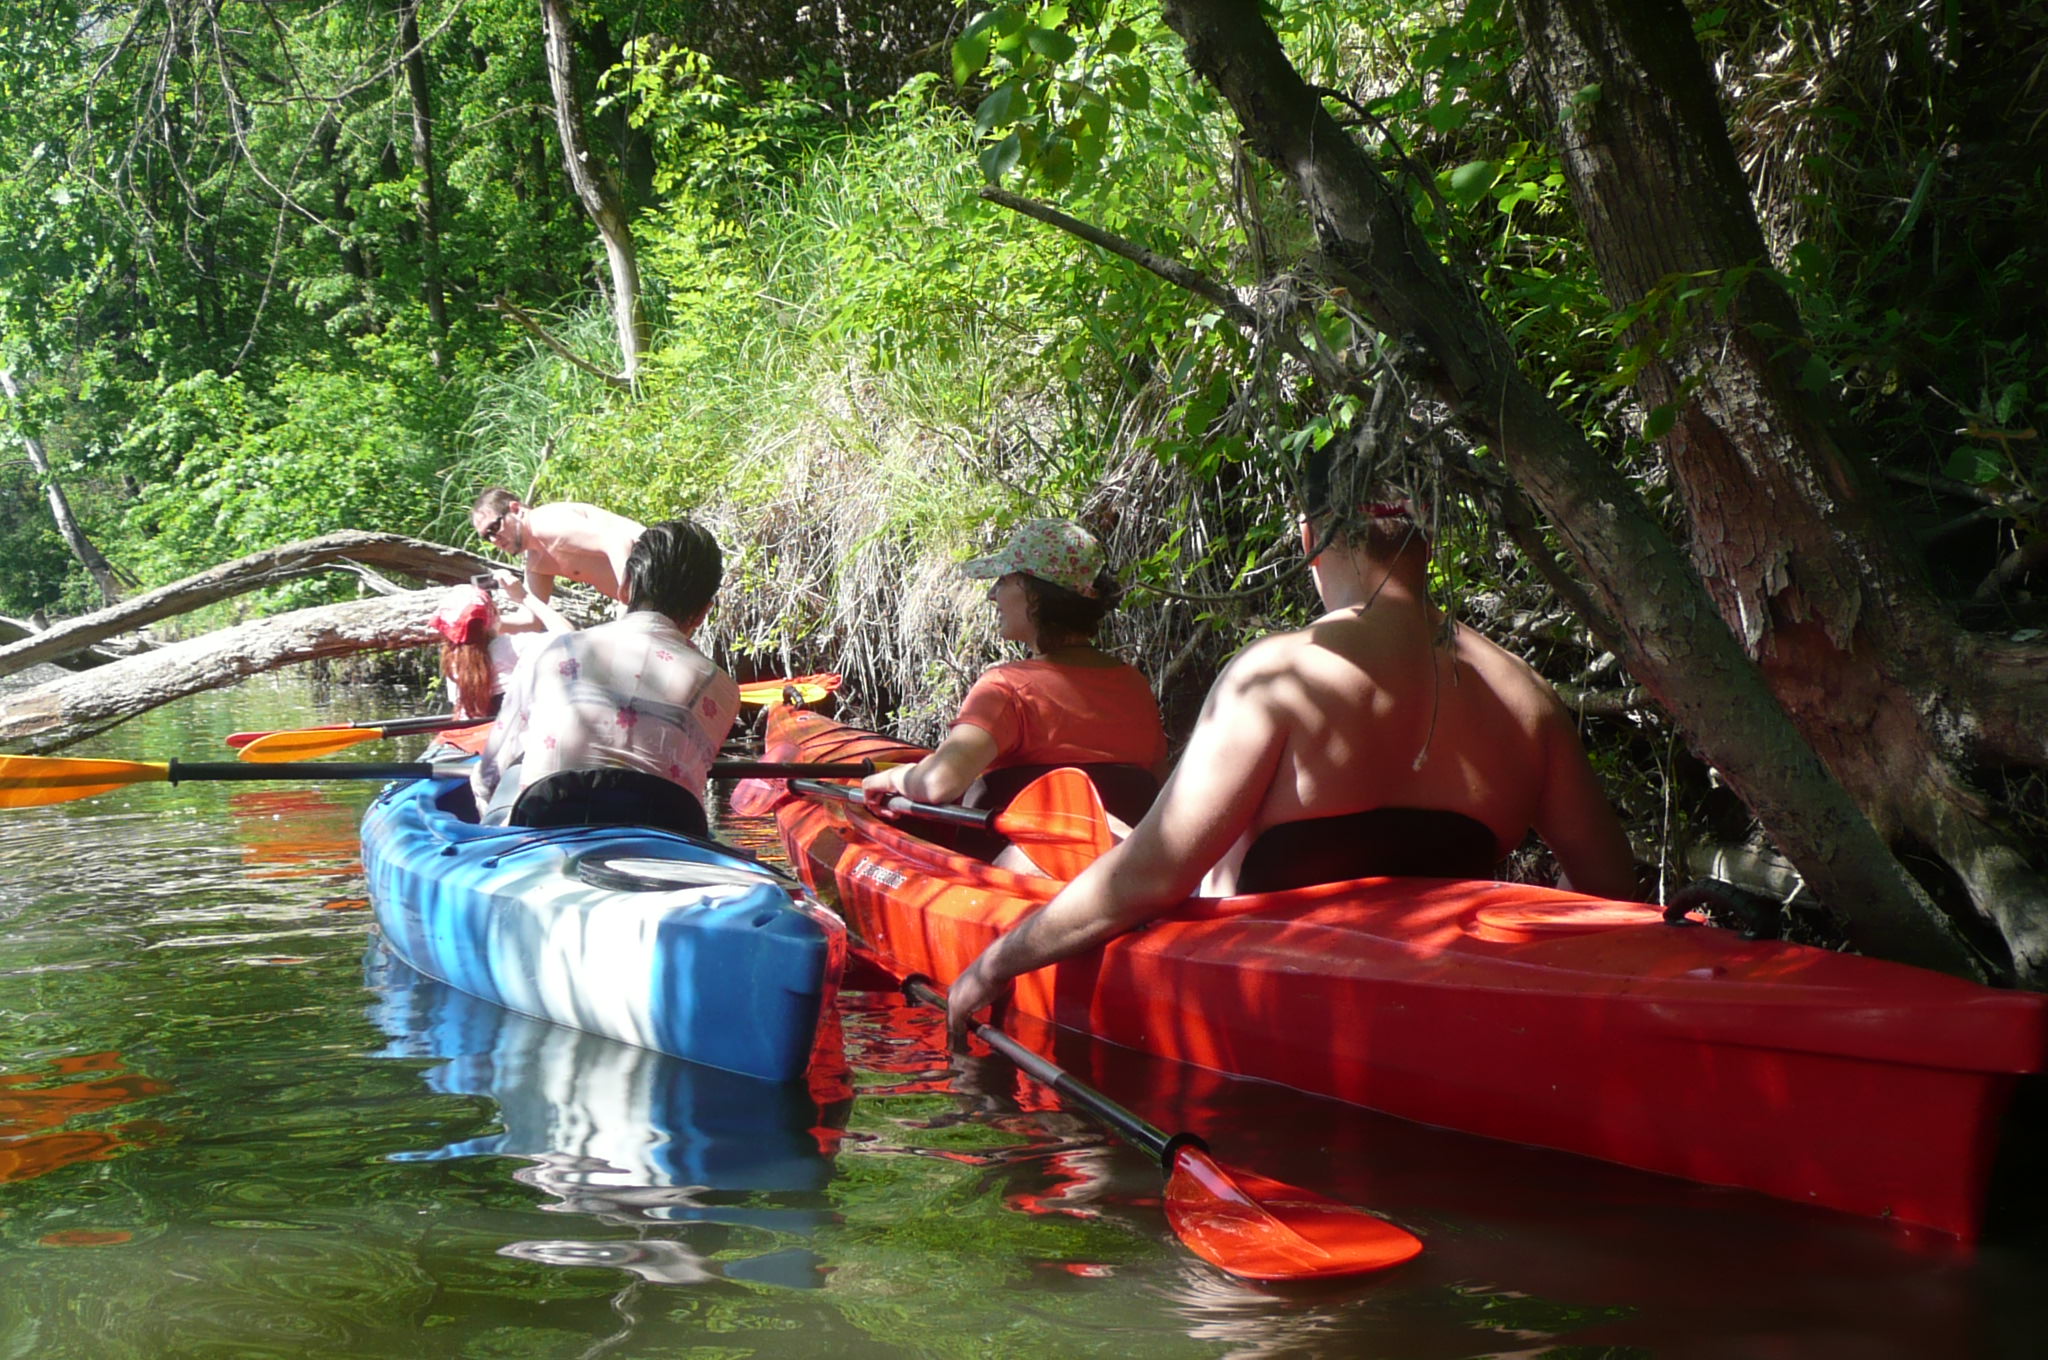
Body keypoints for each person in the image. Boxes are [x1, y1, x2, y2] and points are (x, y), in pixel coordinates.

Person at [944, 483, 1638, 1039]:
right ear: (1426, 539)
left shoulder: (1278, 676)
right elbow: (1613, 897)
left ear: (1312, 539)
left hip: (1273, 1016)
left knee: (1026, 861)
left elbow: (1148, 878)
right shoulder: (1522, 692)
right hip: (1446, 1000)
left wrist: (998, 961)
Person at [860, 519, 1168, 853]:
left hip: (1019, 880)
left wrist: (893, 777)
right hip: (1116, 869)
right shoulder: (1133, 686)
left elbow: (938, 783)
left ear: (1035, 594)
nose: (993, 594)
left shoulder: (1005, 688)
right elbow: (1161, 789)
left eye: (1004, 580)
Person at [469, 518, 741, 837]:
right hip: (665, 843)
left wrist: (486, 815)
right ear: (704, 610)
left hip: (544, 838)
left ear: (625, 587)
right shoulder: (722, 688)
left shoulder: (549, 650)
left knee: (512, 768)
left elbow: (488, 776)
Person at [431, 573, 575, 721]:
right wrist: (525, 597)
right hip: (508, 736)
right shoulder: (510, 647)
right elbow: (570, 637)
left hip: (473, 733)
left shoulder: (453, 660)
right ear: (494, 617)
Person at [470, 488, 645, 605]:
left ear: (516, 509)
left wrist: (630, 598)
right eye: (487, 536)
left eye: (494, 527)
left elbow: (617, 540)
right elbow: (533, 621)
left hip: (660, 570)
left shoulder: (545, 521)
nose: (494, 539)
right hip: (650, 598)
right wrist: (491, 624)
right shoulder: (536, 560)